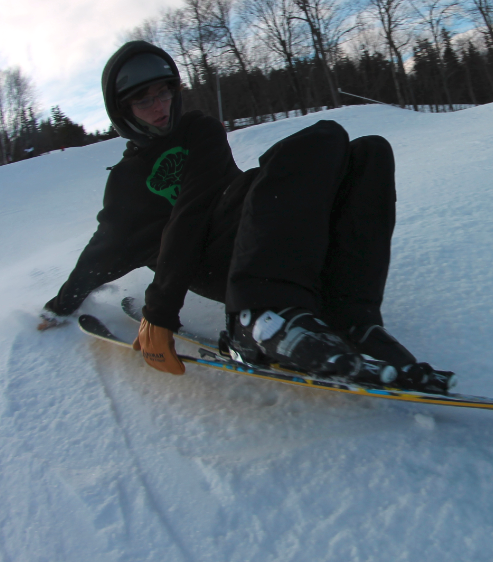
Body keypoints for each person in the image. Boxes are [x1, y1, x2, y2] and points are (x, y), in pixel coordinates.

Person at [44, 40, 440, 389]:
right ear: (122, 110)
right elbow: (107, 252)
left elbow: (201, 201)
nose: (161, 106)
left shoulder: (197, 129)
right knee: (324, 138)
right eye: (144, 99)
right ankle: (255, 317)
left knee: (366, 150)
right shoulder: (128, 184)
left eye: (165, 92)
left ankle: (352, 316)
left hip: (262, 234)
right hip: (222, 265)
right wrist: (69, 307)